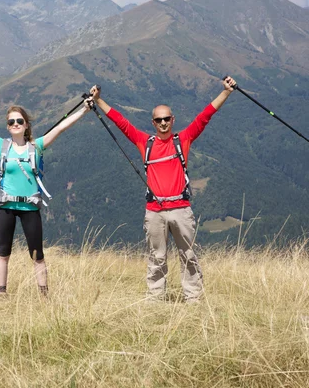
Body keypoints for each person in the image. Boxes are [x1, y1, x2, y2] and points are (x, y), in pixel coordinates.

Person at [89, 76, 237, 303]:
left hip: (180, 208)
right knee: (156, 257)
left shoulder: (183, 139)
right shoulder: (144, 142)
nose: (163, 123)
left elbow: (205, 116)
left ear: (173, 119)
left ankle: (193, 298)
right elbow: (121, 123)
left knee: (188, 255)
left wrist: (226, 92)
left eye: (166, 119)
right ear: (153, 123)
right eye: (159, 120)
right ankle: (155, 299)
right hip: (155, 211)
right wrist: (99, 101)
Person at [0, 94, 93, 296]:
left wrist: (84, 110)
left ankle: (43, 294)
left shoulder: (36, 146)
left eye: (19, 121)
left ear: (26, 124)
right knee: (3, 252)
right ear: (7, 126)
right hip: (6, 207)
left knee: (37, 254)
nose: (15, 124)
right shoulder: (2, 146)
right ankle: (2, 293)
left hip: (30, 208)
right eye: (11, 121)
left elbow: (61, 127)